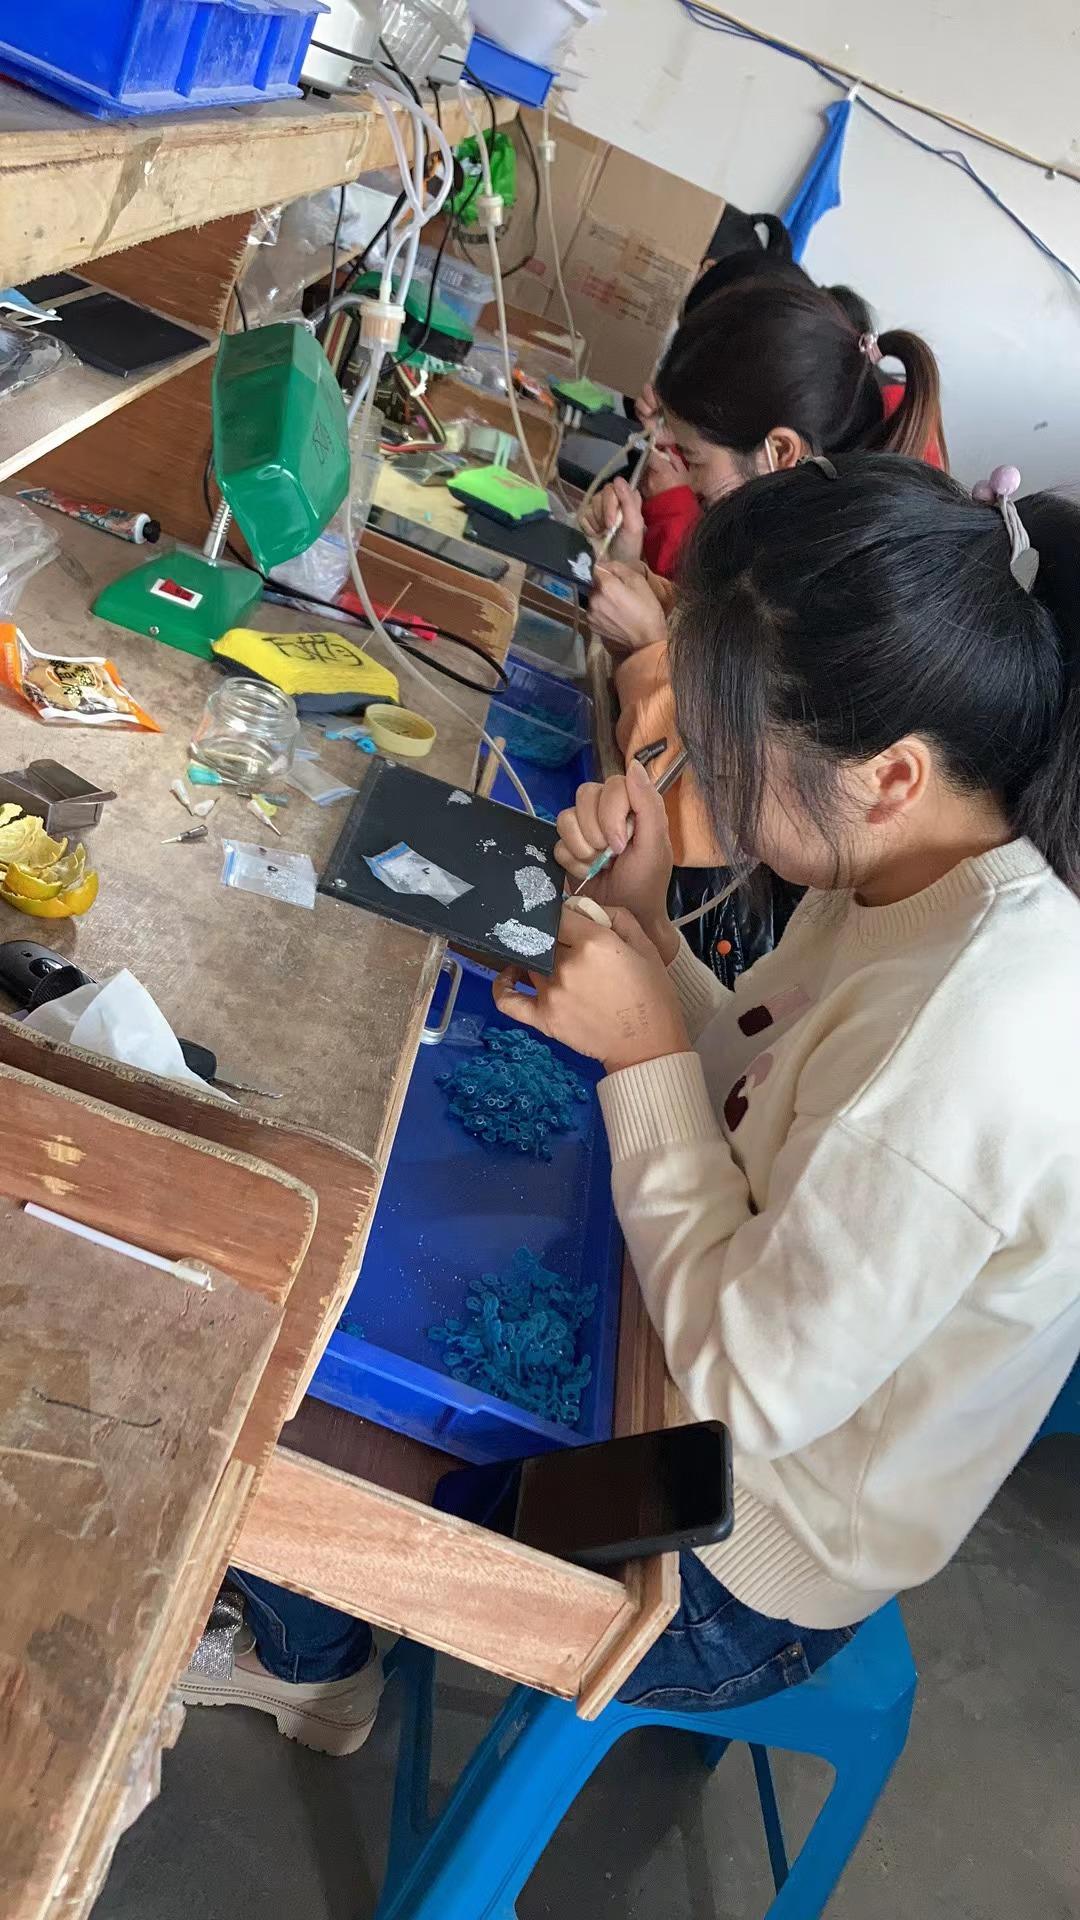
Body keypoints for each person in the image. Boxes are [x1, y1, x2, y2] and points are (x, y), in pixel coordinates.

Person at [486, 455, 1080, 1705]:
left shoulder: (978, 1037)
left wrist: (644, 1050)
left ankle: (307, 1662)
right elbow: (774, 1091)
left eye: (723, 760)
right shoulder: (917, 866)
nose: (701, 787)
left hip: (734, 1548)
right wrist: (653, 929)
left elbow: (748, 1391)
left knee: (319, 1441)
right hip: (696, 1387)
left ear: (890, 775)